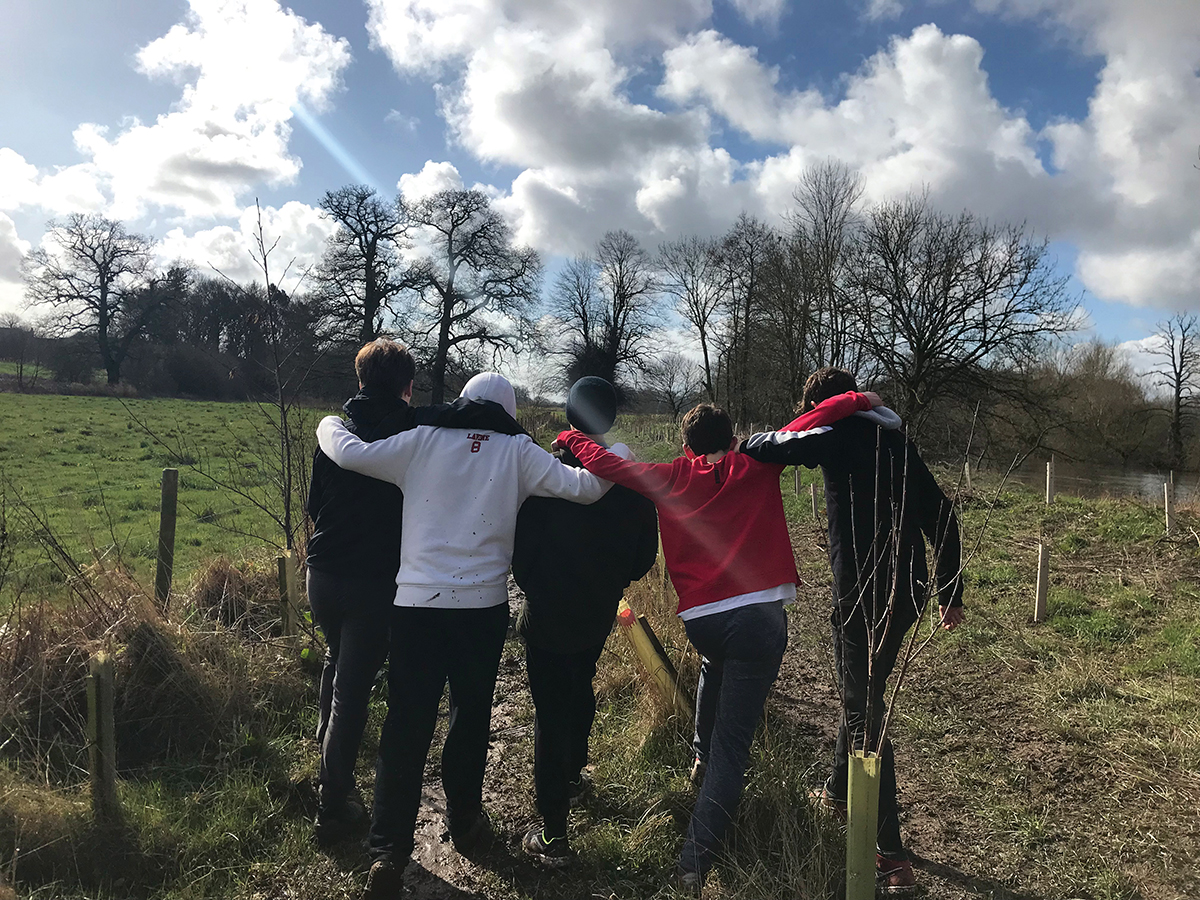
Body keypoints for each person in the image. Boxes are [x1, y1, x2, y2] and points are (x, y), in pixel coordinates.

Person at [552, 390, 878, 890]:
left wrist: (570, 435)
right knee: (736, 746)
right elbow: (808, 419)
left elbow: (607, 465)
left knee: (712, 666)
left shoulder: (671, 476)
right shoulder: (756, 462)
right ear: (732, 437)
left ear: (686, 448)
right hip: (758, 622)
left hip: (703, 621)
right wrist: (857, 399)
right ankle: (694, 862)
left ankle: (700, 762)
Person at [315, 372, 614, 900]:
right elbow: (586, 488)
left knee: (406, 723)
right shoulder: (518, 451)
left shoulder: (423, 439)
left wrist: (326, 423)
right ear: (508, 410)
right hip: (481, 610)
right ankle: (464, 820)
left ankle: (387, 849)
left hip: (415, 605)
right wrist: (622, 452)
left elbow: (351, 454)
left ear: (463, 401)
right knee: (470, 717)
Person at [736, 367, 965, 894]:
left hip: (861, 599)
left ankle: (891, 853)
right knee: (861, 697)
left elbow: (766, 447)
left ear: (823, 407)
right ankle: (840, 796)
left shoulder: (836, 434)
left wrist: (806, 421)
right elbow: (945, 517)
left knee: (866, 716)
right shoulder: (897, 440)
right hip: (904, 595)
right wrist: (950, 592)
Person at [305, 341, 525, 846]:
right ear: (407, 387)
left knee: (336, 668)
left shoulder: (338, 430)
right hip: (375, 579)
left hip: (322, 572)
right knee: (351, 691)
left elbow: (316, 504)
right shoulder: (414, 431)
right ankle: (333, 804)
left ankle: (334, 781)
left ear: (360, 381)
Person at [511, 376, 659, 867]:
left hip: (547, 611)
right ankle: (573, 775)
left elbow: (520, 555)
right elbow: (643, 559)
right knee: (580, 683)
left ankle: (553, 836)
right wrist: (607, 578)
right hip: (597, 609)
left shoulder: (547, 476)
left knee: (549, 712)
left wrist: (538, 583)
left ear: (569, 419)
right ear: (611, 419)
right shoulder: (632, 485)